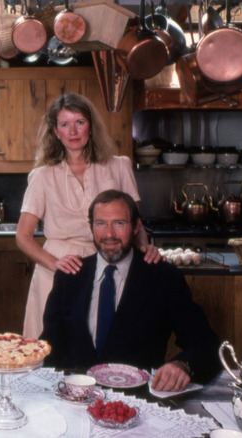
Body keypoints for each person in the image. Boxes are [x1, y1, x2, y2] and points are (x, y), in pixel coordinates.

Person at [41, 190, 221, 391]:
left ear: (136, 227)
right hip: (75, 399)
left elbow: (206, 345)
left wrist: (183, 365)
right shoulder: (69, 276)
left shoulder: (164, 278)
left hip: (137, 403)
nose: (109, 234)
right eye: (101, 223)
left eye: (119, 223)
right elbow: (48, 347)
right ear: (91, 226)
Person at [17, 93, 160, 339]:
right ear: (55, 131)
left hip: (111, 265)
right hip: (58, 270)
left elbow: (135, 225)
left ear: (91, 127)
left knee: (107, 342)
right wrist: (54, 264)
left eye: (79, 122)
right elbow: (23, 236)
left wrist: (146, 248)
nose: (73, 131)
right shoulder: (42, 176)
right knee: (51, 348)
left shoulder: (119, 166)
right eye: (65, 124)